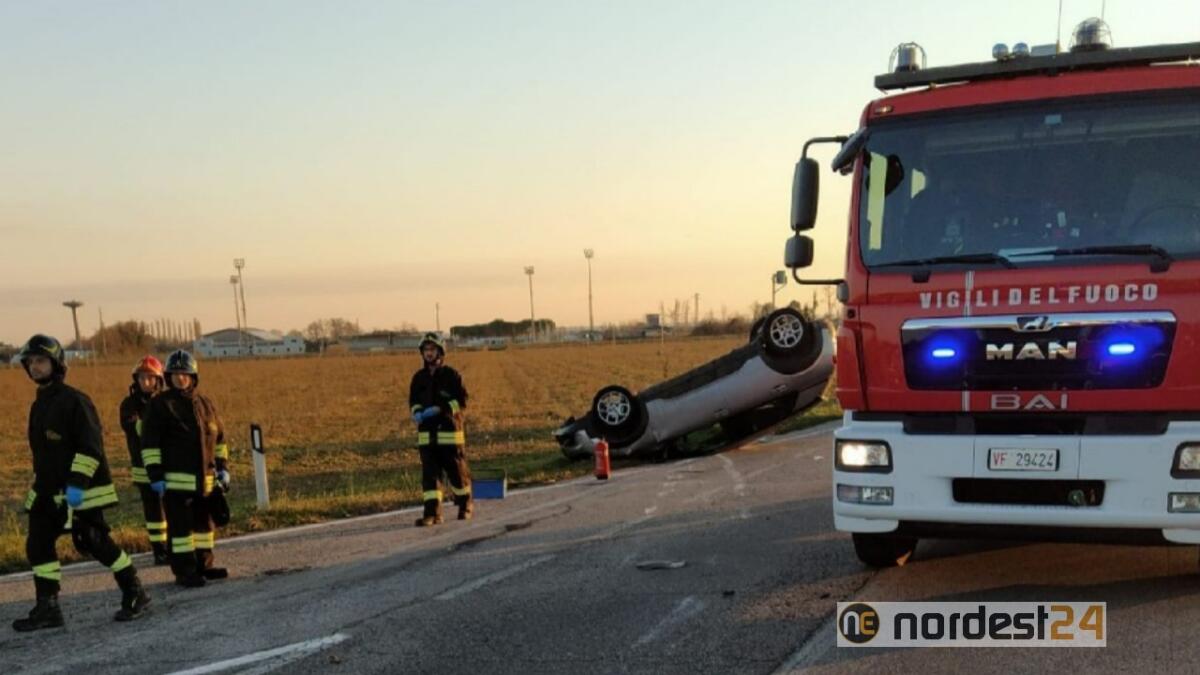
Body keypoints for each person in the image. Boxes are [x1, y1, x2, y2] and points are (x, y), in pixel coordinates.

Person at [12, 335, 150, 631]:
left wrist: (77, 483)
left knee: (95, 542)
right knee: (38, 544)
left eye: (41, 361)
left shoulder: (75, 401)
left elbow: (91, 447)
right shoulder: (40, 404)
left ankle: (135, 590)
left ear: (56, 364)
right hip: (49, 491)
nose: (35, 367)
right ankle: (48, 607)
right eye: (31, 362)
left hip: (81, 489)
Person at [140, 350, 231, 587]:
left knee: (204, 527)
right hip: (176, 483)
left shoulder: (205, 404)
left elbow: (219, 439)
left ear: (193, 377)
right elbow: (150, 444)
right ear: (168, 377)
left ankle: (205, 565)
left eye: (185, 374)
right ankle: (184, 571)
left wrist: (223, 468)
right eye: (176, 374)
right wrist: (155, 475)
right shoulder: (160, 405)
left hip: (206, 482)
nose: (181, 379)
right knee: (180, 532)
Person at [409, 333, 473, 527]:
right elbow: (413, 401)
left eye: (432, 350)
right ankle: (432, 514)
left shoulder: (452, 376)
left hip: (449, 434)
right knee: (430, 477)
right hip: (427, 436)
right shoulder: (418, 378)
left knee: (457, 473)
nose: (429, 354)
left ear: (440, 352)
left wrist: (442, 409)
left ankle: (465, 505)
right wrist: (418, 412)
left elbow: (462, 401)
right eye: (426, 350)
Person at [119, 355, 169, 565]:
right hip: (144, 469)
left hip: (168, 466)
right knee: (154, 510)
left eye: (150, 378)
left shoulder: (166, 401)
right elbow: (133, 427)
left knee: (172, 509)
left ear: (158, 380)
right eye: (142, 378)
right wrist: (156, 427)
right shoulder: (129, 405)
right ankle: (159, 550)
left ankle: (176, 546)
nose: (146, 382)